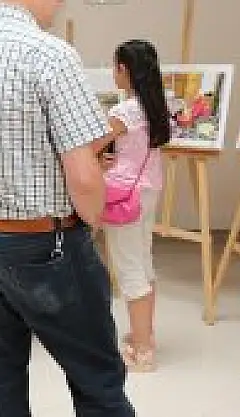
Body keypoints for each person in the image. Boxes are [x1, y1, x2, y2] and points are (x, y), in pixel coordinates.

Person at [0, 1, 135, 415]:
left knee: (1, 369)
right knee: (97, 377)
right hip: (43, 243)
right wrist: (92, 220)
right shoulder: (52, 55)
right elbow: (83, 176)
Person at [101, 40, 171, 373]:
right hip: (148, 191)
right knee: (143, 262)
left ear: (123, 69)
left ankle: (142, 351)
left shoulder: (125, 111)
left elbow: (93, 143)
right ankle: (145, 334)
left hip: (122, 195)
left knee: (129, 268)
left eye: (114, 67)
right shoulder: (155, 105)